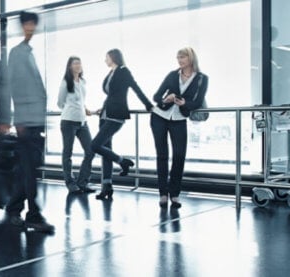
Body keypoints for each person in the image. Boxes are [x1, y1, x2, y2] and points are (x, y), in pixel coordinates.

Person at [0, 11, 55, 234]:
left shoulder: (28, 53)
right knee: (29, 171)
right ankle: (33, 214)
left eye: (34, 24)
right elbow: (9, 86)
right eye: (28, 23)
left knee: (27, 170)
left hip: (34, 121)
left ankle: (14, 208)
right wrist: (8, 119)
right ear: (22, 26)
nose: (31, 27)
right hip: (25, 121)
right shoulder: (18, 53)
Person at [85, 49, 153, 201]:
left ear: (113, 57)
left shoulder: (123, 71)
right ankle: (106, 187)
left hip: (116, 116)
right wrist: (102, 109)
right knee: (105, 151)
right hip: (105, 114)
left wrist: (148, 105)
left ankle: (123, 162)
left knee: (95, 146)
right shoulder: (110, 73)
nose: (105, 60)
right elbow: (111, 95)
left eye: (106, 57)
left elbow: (136, 89)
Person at [150, 47, 208, 209]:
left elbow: (198, 102)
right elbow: (156, 96)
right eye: (178, 58)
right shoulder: (172, 75)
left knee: (179, 155)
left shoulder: (202, 78)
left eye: (182, 57)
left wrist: (184, 103)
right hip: (159, 117)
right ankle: (162, 193)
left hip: (179, 119)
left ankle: (174, 194)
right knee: (162, 156)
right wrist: (166, 100)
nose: (180, 60)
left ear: (191, 58)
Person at [57, 56, 96, 193]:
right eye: (75, 63)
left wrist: (85, 110)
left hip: (82, 122)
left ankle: (82, 182)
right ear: (70, 67)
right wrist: (71, 110)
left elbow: (81, 101)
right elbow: (60, 103)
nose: (78, 65)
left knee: (90, 151)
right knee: (68, 153)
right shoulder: (65, 82)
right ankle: (70, 183)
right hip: (68, 121)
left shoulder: (83, 81)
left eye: (79, 63)